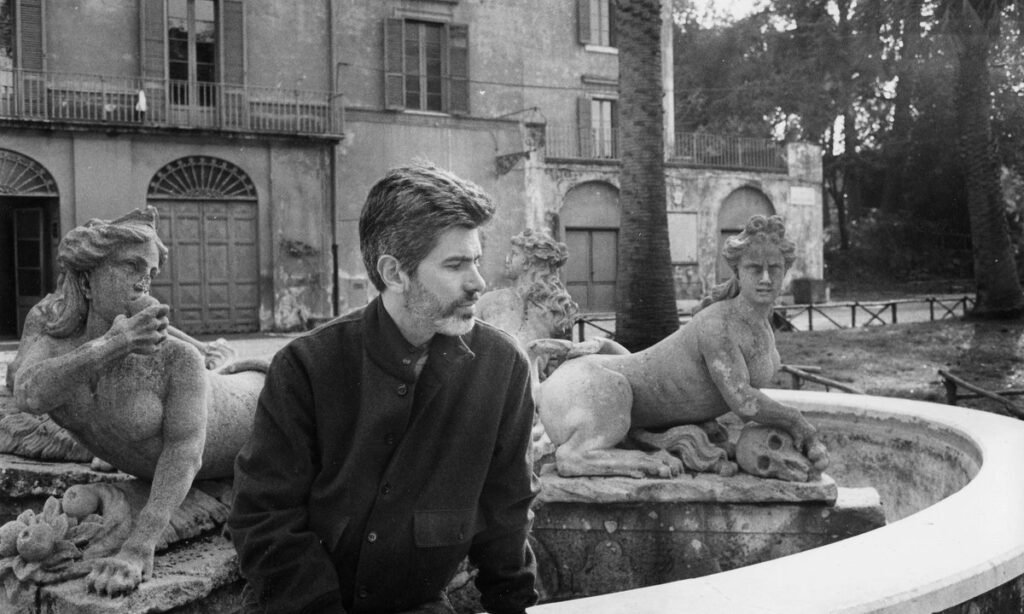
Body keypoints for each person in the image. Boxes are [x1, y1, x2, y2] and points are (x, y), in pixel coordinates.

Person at [228, 163, 539, 614]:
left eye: (475, 260)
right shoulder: (307, 365)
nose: (478, 283)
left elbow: (508, 510)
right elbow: (264, 518)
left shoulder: (503, 366)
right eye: (455, 264)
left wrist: (514, 606)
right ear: (394, 273)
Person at [11, 207, 264, 595]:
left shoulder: (174, 360)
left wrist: (139, 546)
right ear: (87, 280)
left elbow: (185, 454)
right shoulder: (54, 341)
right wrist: (114, 345)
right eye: (131, 266)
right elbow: (28, 394)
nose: (143, 282)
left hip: (258, 410)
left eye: (150, 272)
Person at [534, 214, 829, 479]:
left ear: (785, 271)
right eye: (755, 268)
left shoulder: (760, 325)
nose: (765, 278)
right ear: (738, 272)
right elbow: (743, 401)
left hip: (604, 390)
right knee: (614, 391)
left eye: (774, 268)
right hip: (584, 386)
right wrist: (798, 424)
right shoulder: (718, 326)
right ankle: (580, 455)